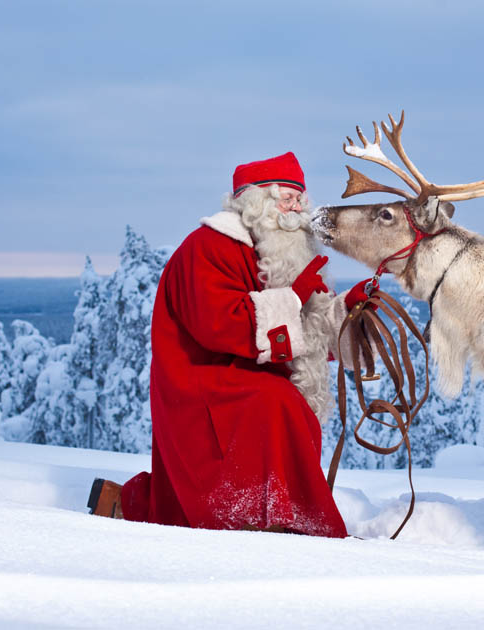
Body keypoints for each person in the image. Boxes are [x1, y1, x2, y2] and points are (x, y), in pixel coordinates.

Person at [87, 152, 370, 537]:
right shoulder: (209, 246)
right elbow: (219, 324)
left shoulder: (275, 251)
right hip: (198, 379)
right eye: (286, 198)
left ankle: (280, 515)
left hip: (238, 371)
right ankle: (266, 519)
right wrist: (294, 297)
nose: (297, 208)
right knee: (275, 402)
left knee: (285, 401)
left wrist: (347, 315)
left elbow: (304, 333)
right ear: (256, 202)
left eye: (300, 198)